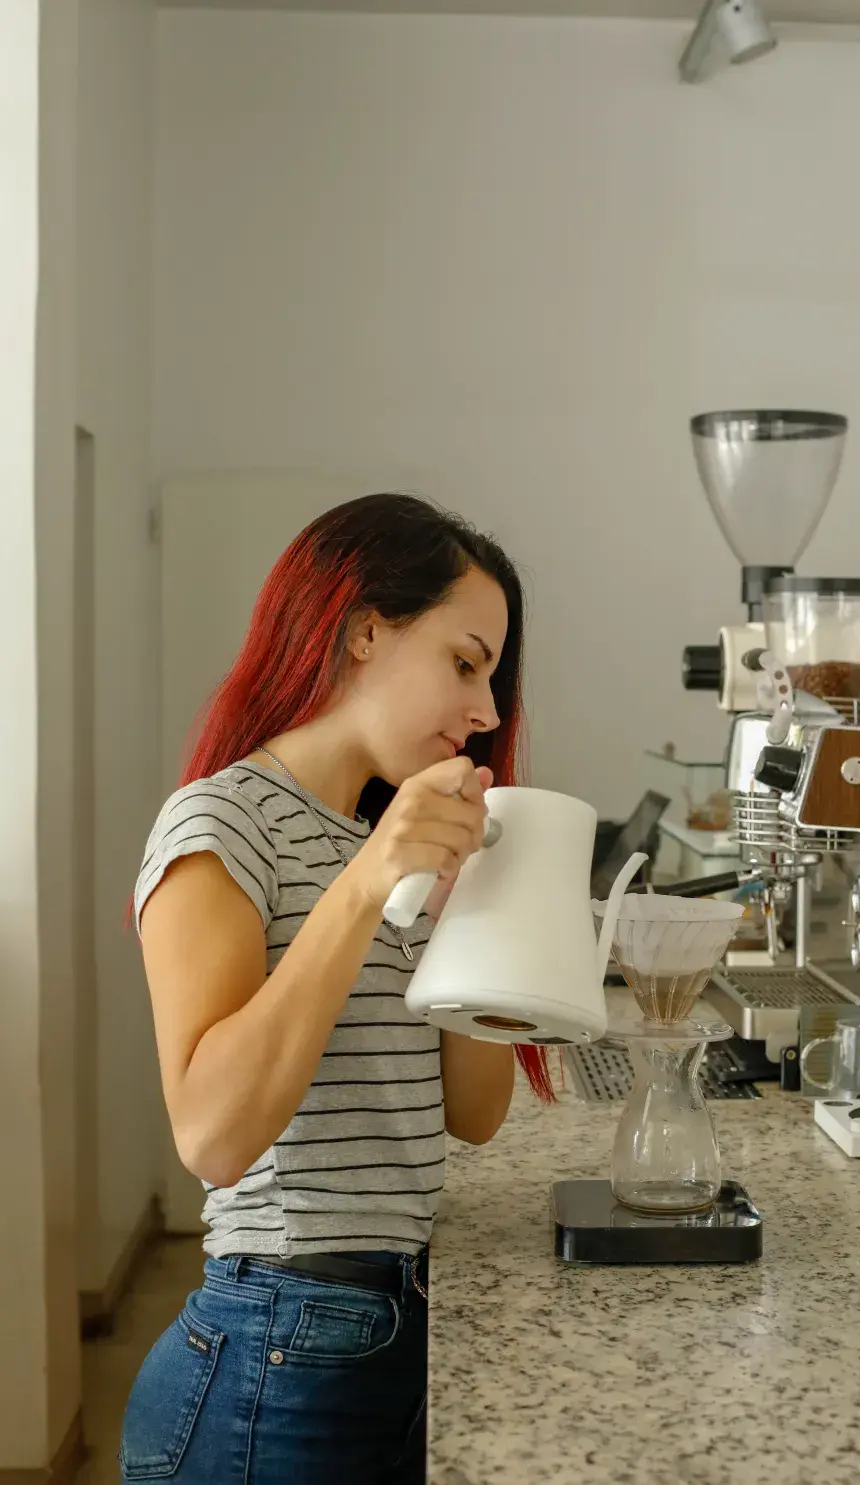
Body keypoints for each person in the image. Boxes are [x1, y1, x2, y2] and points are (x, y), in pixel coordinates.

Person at [118, 493, 552, 1485]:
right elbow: (213, 1137)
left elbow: (474, 1112)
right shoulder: (222, 824)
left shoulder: (376, 837)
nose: (487, 711)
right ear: (365, 629)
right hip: (277, 1348)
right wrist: (365, 888)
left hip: (394, 1331)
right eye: (465, 661)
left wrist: (475, 911)